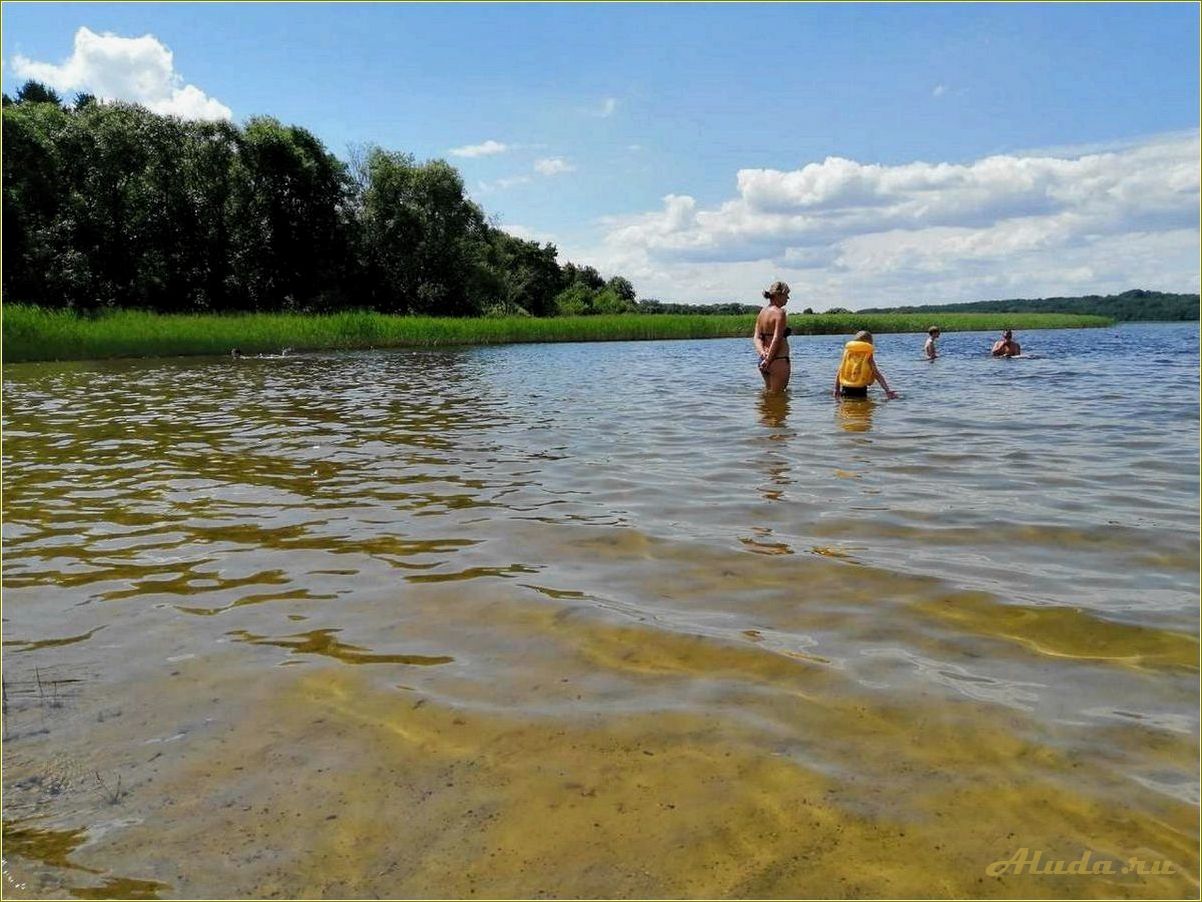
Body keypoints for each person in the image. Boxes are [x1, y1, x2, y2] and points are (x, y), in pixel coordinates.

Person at [833, 330, 899, 399]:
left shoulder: (848, 353)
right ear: (869, 343)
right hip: (860, 390)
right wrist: (887, 390)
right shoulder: (867, 355)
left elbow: (840, 371)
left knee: (847, 407)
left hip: (846, 388)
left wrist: (836, 389)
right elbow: (876, 373)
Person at [753, 280, 792, 392]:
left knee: (768, 394)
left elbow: (757, 337)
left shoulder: (762, 312)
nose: (788, 298)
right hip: (777, 360)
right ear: (778, 295)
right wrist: (769, 360)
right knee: (778, 397)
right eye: (786, 295)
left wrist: (763, 355)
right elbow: (777, 339)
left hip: (763, 359)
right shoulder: (780, 313)